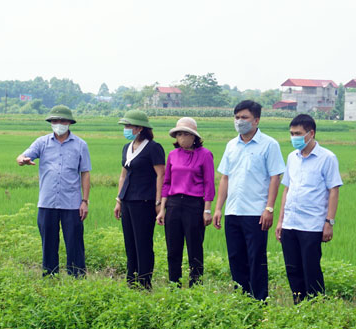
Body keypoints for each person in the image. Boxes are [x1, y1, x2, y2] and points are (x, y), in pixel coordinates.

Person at [212, 100, 285, 300]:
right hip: (233, 211)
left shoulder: (269, 145)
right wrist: (218, 208)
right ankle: (241, 299)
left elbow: (275, 177)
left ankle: (259, 301)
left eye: (244, 117)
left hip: (256, 213)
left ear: (256, 120)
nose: (239, 121)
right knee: (235, 258)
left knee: (256, 259)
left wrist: (269, 208)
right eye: (237, 117)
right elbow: (225, 177)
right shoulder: (231, 145)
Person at [16, 105, 91, 277]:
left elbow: (85, 173)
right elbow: (22, 156)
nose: (59, 124)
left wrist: (85, 201)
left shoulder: (80, 145)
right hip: (47, 202)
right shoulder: (42, 142)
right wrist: (23, 160)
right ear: (51, 123)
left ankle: (77, 277)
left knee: (75, 243)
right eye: (55, 121)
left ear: (70, 123)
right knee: (48, 243)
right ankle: (50, 278)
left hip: (72, 203)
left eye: (62, 121)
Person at [276, 114, 342, 303]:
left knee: (311, 268)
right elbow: (286, 189)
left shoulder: (327, 158)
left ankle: (315, 306)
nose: (294, 137)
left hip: (312, 225)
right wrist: (280, 221)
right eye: (291, 133)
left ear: (311, 133)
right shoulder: (292, 157)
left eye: (298, 133)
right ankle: (299, 305)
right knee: (292, 268)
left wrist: (329, 222)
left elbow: (333, 190)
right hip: (290, 223)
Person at [157, 118, 215, 287]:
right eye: (179, 134)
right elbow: (166, 182)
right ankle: (174, 285)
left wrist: (207, 209)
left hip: (194, 205)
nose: (182, 138)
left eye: (186, 134)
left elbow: (208, 183)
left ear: (194, 137)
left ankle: (195, 287)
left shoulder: (205, 154)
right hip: (174, 204)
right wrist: (162, 209)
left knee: (194, 248)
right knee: (173, 249)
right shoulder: (173, 155)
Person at [113, 110, 165, 289]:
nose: (126, 129)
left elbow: (161, 175)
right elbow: (123, 176)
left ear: (140, 128)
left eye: (129, 126)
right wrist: (119, 200)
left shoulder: (153, 148)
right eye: (125, 126)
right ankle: (131, 281)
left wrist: (158, 202)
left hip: (145, 201)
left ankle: (144, 282)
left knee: (143, 242)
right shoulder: (126, 148)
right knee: (130, 243)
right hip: (127, 200)